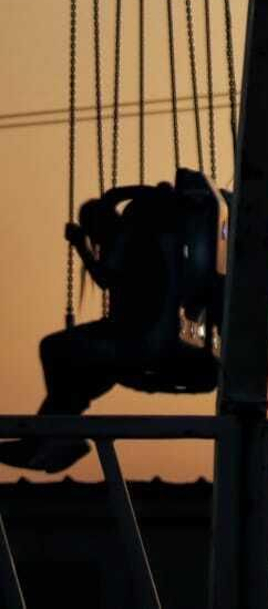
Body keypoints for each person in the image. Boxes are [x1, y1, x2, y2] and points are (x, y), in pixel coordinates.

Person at [0, 183, 182, 473]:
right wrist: (114, 198)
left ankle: (53, 438)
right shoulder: (132, 238)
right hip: (130, 332)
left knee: (54, 349)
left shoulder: (132, 238)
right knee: (71, 385)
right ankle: (47, 439)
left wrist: (82, 247)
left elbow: (108, 278)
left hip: (132, 336)